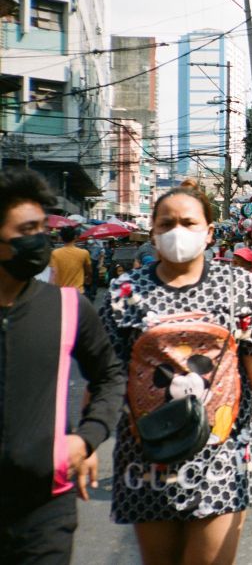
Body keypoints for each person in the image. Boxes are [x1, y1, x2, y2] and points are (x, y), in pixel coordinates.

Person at [99, 186, 252, 565]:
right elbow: (108, 372)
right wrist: (87, 435)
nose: (178, 231)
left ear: (209, 232)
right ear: (153, 232)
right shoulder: (124, 291)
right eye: (167, 223)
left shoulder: (237, 285)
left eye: (189, 222)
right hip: (146, 455)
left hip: (220, 453)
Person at [0, 168, 125, 564]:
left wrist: (87, 436)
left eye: (42, 228)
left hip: (44, 510)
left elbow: (110, 375)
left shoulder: (68, 309)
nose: (38, 239)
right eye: (26, 230)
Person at [49, 225, 91, 294]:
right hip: (77, 292)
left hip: (61, 292)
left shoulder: (55, 253)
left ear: (61, 238)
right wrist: (89, 279)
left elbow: (53, 274)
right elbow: (89, 271)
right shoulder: (84, 253)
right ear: (75, 237)